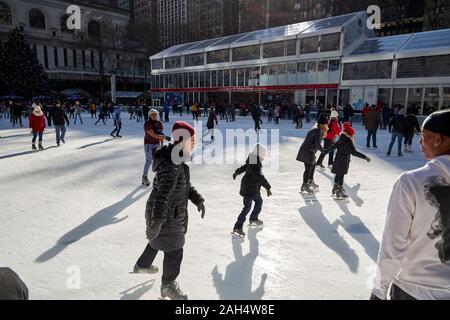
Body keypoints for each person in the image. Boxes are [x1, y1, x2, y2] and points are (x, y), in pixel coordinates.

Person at [371, 109, 450, 300]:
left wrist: (378, 291)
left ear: (438, 139)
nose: (420, 142)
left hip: (413, 289)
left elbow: (393, 245)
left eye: (424, 137)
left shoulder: (412, 182)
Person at [134, 121, 206, 300]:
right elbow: (162, 196)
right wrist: (156, 223)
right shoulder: (173, 164)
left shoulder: (176, 161)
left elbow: (185, 186)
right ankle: (168, 286)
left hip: (167, 215)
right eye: (192, 140)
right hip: (167, 217)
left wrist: (197, 199)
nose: (194, 143)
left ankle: (142, 264)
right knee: (174, 251)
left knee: (158, 240)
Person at [232, 144, 272, 238]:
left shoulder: (253, 160)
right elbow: (260, 177)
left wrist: (236, 172)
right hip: (251, 188)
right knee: (248, 207)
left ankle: (253, 219)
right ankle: (238, 227)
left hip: (249, 187)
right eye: (263, 153)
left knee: (256, 202)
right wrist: (268, 187)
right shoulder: (256, 163)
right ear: (259, 153)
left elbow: (244, 167)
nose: (264, 155)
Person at [326, 122, 371, 199]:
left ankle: (335, 188)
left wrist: (325, 151)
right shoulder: (348, 141)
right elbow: (354, 153)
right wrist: (365, 157)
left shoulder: (340, 139)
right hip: (343, 162)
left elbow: (333, 147)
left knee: (338, 174)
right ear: (350, 134)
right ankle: (339, 191)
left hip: (337, 160)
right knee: (341, 176)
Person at [296, 114, 329, 195]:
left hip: (307, 151)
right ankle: (305, 185)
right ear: (323, 125)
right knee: (308, 168)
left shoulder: (315, 129)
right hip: (308, 151)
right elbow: (317, 144)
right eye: (326, 124)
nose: (327, 126)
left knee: (312, 165)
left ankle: (310, 181)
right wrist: (323, 151)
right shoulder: (319, 131)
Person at [142, 109, 169, 187]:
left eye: (156, 114)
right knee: (149, 160)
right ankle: (144, 177)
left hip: (156, 144)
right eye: (153, 114)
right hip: (148, 144)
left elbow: (160, 135)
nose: (154, 116)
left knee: (158, 161)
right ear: (150, 115)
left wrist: (162, 145)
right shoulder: (147, 124)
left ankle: (158, 178)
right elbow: (153, 135)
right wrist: (165, 137)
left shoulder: (159, 123)